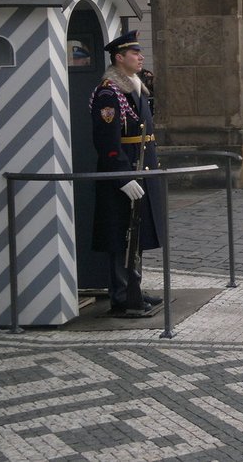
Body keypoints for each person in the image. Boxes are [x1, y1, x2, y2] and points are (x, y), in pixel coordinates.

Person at [90, 30, 165, 316]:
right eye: (135, 53)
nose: (141, 57)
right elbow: (107, 143)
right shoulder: (109, 94)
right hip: (123, 175)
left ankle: (134, 288)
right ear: (119, 58)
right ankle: (122, 296)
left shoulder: (134, 88)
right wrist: (123, 178)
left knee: (137, 234)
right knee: (121, 235)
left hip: (141, 170)